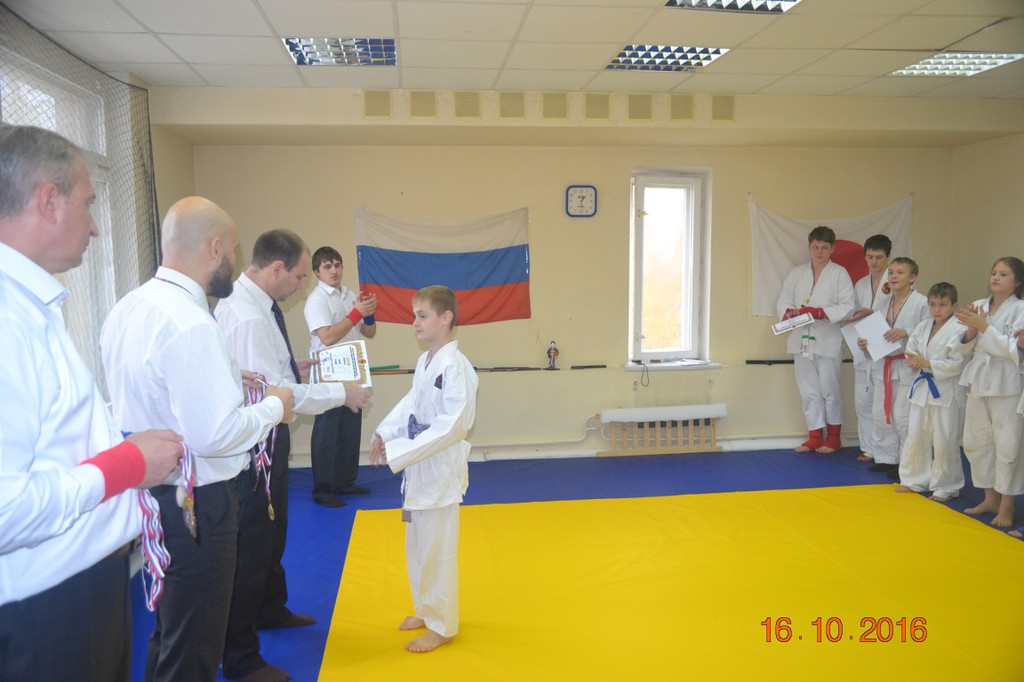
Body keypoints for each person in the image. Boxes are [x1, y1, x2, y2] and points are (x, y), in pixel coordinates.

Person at [0, 126, 183, 682]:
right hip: (48, 610)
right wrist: (126, 464)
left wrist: (121, 449)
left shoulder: (30, 305)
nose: (97, 225)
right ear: (48, 202)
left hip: (76, 591)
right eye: (89, 203)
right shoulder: (7, 320)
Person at [100, 196, 295, 682]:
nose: (235, 259)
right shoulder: (190, 322)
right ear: (215, 248)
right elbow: (216, 436)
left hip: (157, 494)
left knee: (173, 628)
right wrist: (276, 405)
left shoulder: (130, 307)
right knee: (196, 642)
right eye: (233, 248)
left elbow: (159, 392)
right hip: (199, 504)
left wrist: (226, 378)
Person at [215, 230, 371, 681]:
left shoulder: (258, 306)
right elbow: (275, 394)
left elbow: (269, 375)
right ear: (277, 268)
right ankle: (240, 656)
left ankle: (270, 608)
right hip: (254, 445)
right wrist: (340, 393)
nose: (302, 286)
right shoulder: (247, 315)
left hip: (268, 436)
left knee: (273, 531)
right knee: (253, 544)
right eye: (301, 277)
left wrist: (293, 368)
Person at [368, 285, 478, 653]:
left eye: (422, 315)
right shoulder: (427, 360)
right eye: (414, 315)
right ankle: (425, 610)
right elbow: (410, 404)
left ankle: (442, 625)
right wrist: (385, 433)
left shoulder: (455, 366)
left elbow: (454, 425)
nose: (414, 322)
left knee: (437, 552)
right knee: (417, 548)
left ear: (446, 318)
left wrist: (401, 450)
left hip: (438, 470)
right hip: (419, 467)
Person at [303, 246, 377, 508]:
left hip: (351, 369)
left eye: (337, 265)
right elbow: (327, 337)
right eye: (327, 266)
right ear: (317, 272)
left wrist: (369, 314)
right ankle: (323, 489)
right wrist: (356, 313)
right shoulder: (317, 300)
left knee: (349, 428)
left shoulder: (349, 295)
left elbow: (369, 333)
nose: (334, 270)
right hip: (328, 371)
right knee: (327, 430)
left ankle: (345, 481)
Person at [954, 257, 1024, 528]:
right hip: (979, 380)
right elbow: (962, 348)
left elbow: (1013, 349)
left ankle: (1007, 507)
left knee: (1008, 445)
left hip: (1007, 383)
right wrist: (971, 331)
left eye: (1004, 274)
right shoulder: (979, 306)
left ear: (1017, 281)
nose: (995, 277)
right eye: (994, 272)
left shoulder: (1020, 309)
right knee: (977, 441)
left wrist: (984, 327)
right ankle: (990, 499)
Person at [777, 225, 855, 454]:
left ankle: (834, 437)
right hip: (801, 338)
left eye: (824, 247)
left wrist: (820, 312)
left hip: (828, 338)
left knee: (830, 389)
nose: (819, 252)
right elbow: (784, 300)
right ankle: (814, 435)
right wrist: (789, 313)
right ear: (809, 247)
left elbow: (848, 306)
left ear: (832, 249)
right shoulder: (797, 273)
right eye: (815, 247)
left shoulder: (839, 273)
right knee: (808, 389)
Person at [895, 282, 967, 500]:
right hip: (923, 388)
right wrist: (915, 360)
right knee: (916, 434)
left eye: (942, 305)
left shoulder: (960, 329)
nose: (937, 309)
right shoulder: (923, 326)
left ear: (954, 305)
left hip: (946, 391)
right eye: (933, 304)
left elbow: (958, 362)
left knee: (945, 438)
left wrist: (927, 363)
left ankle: (947, 485)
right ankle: (914, 479)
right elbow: (911, 350)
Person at [857, 257, 928, 476]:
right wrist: (866, 344)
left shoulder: (922, 303)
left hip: (907, 365)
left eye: (900, 272)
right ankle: (886, 458)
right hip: (883, 364)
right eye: (891, 273)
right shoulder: (882, 303)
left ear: (913, 277)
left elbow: (930, 332)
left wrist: (906, 332)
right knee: (881, 413)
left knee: (903, 416)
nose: (894, 276)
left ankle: (906, 463)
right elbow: (876, 335)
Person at [844, 234, 892, 463]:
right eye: (870, 257)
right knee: (862, 402)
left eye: (879, 257)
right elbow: (853, 313)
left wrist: (872, 314)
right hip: (863, 347)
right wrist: (850, 318)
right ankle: (868, 448)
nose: (874, 262)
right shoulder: (861, 284)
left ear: (888, 257)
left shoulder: (895, 282)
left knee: (881, 404)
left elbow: (898, 316)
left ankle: (885, 451)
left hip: (886, 349)